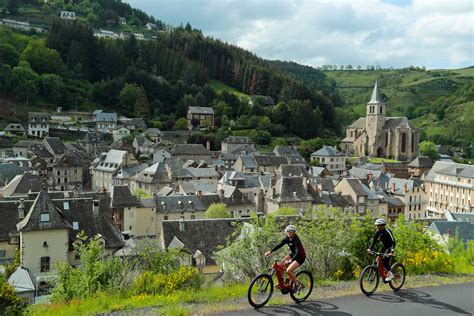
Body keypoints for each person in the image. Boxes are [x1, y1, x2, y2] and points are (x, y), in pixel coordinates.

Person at [264, 225, 306, 292]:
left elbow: (298, 252)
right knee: (279, 266)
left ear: (294, 232)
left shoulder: (296, 240)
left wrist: (290, 260)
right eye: (288, 231)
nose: (289, 233)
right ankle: (282, 283)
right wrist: (270, 251)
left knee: (288, 270)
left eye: (291, 232)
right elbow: (279, 245)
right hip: (293, 254)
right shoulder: (287, 238)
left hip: (300, 256)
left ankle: (298, 284)